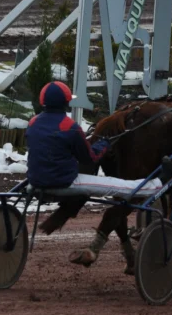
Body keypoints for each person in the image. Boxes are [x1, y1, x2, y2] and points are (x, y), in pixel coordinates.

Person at [26, 81, 109, 234]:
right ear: (66, 103)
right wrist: (104, 143)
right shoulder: (71, 127)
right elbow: (89, 159)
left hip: (35, 179)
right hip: (62, 181)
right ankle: (60, 216)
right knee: (85, 190)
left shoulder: (32, 123)